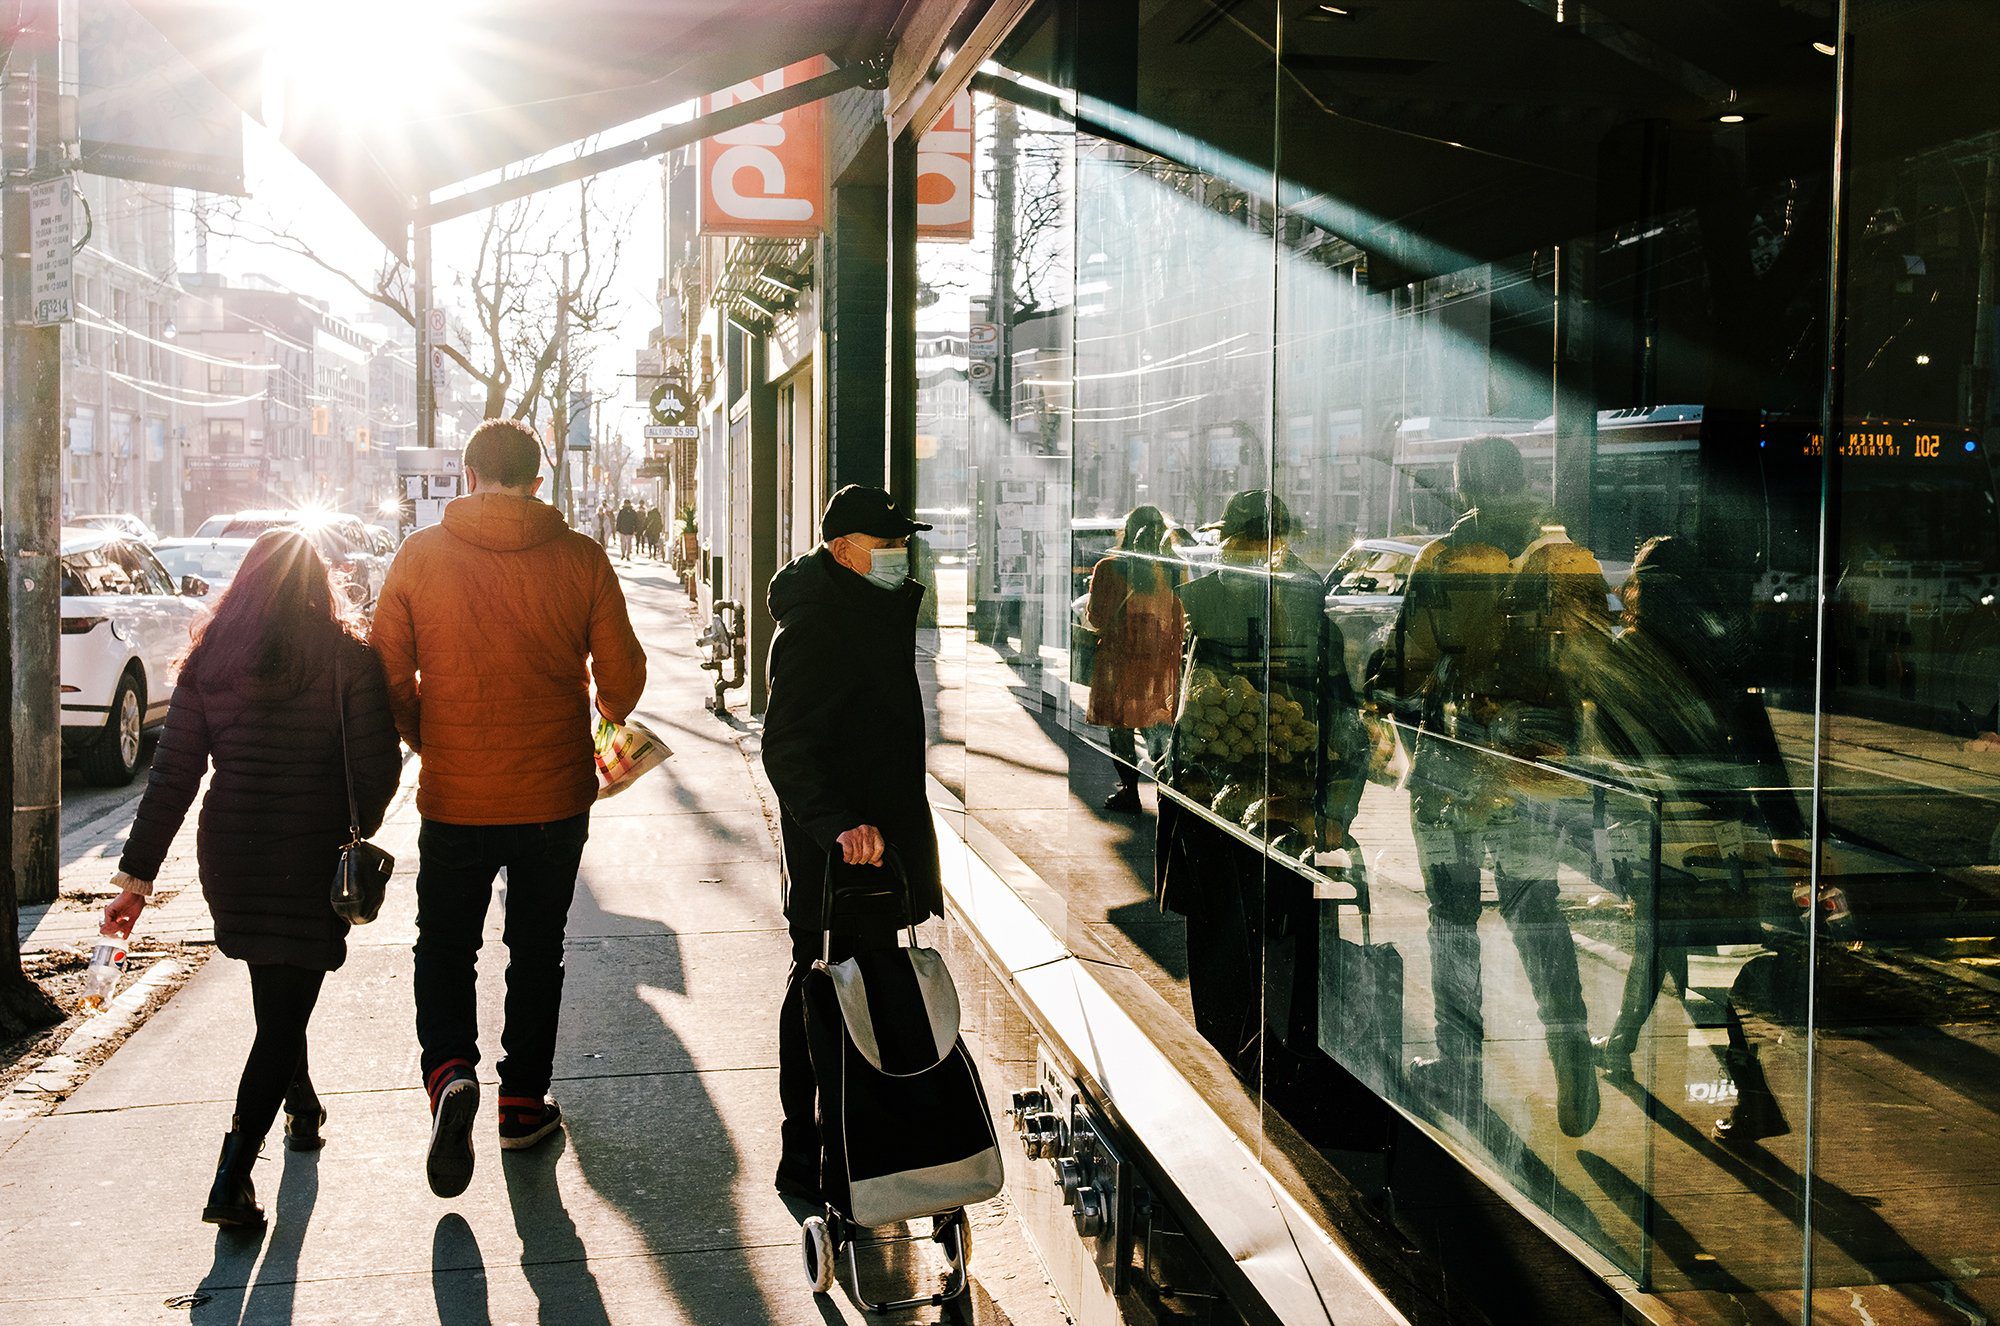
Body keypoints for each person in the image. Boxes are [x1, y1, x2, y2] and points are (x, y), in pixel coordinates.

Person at [371, 418, 647, 1198]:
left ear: (466, 476)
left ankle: (450, 1071)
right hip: (554, 796)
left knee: (445, 946)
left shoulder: (419, 557)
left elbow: (387, 670)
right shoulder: (582, 558)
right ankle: (522, 1103)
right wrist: (596, 711)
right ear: (537, 480)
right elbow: (622, 679)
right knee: (536, 949)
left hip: (456, 794)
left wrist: (428, 735)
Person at [101, 529, 402, 1228]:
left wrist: (135, 882)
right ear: (318, 582)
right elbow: (378, 769)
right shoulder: (348, 658)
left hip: (232, 851)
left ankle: (300, 1102)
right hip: (311, 849)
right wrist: (351, 820)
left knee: (277, 988)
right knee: (285, 1004)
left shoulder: (212, 660)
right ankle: (231, 1178)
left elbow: (173, 776)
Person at [1380, 434, 1604, 1137]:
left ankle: (1462, 1066)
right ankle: (1571, 1048)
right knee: (1537, 906)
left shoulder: (1443, 560)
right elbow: (1594, 658)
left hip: (1456, 765)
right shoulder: (1568, 558)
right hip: (1536, 765)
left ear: (1464, 487)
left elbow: (1411, 663)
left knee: (1452, 916)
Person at [1586, 535, 1804, 1144]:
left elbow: (1606, 751)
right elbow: (1763, 756)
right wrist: (1792, 839)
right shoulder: (1723, 657)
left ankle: (1752, 1094)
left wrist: (1599, 830)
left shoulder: (1627, 654)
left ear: (1639, 595)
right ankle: (1621, 1044)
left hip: (1662, 831)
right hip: (1720, 835)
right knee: (1662, 939)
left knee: (1693, 976)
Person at [762, 485, 943, 1203]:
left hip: (879, 845)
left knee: (866, 987)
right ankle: (805, 1149)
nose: (901, 555)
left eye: (904, 543)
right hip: (842, 851)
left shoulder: (869, 604)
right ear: (843, 550)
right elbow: (786, 746)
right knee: (819, 982)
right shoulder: (818, 623)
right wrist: (836, 824)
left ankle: (859, 1141)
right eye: (887, 544)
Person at [1084, 505, 1185, 812]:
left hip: (1119, 662)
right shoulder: (1174, 567)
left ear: (1127, 532)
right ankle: (1169, 790)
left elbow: (1096, 618)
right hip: (1159, 663)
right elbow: (1180, 618)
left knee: (1121, 729)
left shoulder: (1109, 567)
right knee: (1157, 728)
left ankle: (1130, 791)